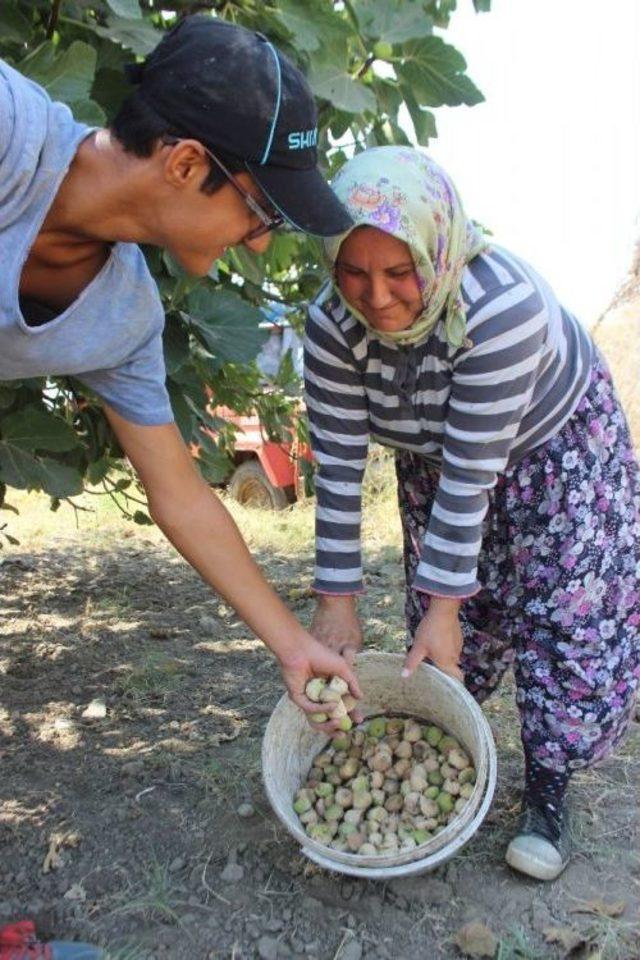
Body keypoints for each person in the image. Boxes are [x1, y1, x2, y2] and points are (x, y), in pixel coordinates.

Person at [0, 16, 362, 729]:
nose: (259, 241)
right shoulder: (11, 134)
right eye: (263, 212)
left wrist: (291, 645)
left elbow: (183, 496)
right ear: (187, 165)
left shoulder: (124, 322)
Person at [304, 145, 640, 881]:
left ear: (438, 250)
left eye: (400, 272)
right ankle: (447, 737)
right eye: (353, 272)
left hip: (558, 452)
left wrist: (445, 604)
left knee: (565, 613)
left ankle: (548, 791)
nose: (378, 297)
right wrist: (336, 605)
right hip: (434, 459)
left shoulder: (502, 310)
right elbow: (337, 466)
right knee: (451, 617)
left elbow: (470, 479)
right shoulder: (331, 327)